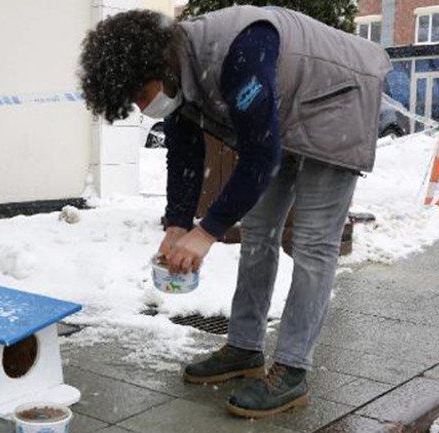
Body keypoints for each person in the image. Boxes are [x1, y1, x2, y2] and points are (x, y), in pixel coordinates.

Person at [78, 5, 391, 418]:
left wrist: (206, 233)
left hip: (339, 99)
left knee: (314, 241)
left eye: (139, 94)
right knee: (259, 231)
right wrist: (177, 225)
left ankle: (293, 371)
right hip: (288, 107)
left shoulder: (239, 52)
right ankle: (244, 348)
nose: (141, 107)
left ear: (157, 64)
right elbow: (185, 154)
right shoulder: (178, 73)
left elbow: (260, 156)